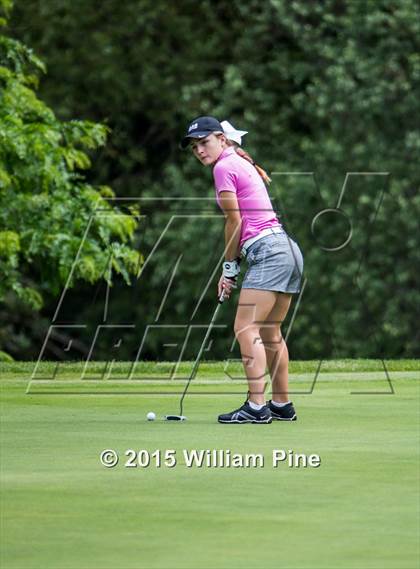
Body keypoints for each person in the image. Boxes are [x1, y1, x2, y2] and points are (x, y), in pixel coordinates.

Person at [181, 116, 304, 424]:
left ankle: (256, 406)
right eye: (194, 147)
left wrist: (228, 268)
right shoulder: (238, 159)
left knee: (245, 328)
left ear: (222, 139)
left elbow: (234, 222)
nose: (199, 150)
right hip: (287, 249)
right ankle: (281, 405)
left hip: (268, 251)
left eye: (204, 142)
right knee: (270, 331)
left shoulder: (224, 166)